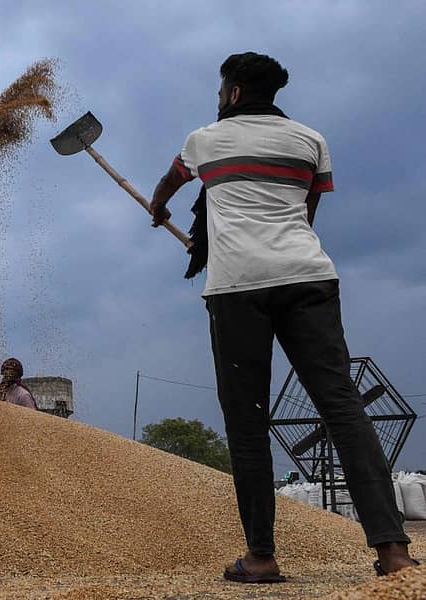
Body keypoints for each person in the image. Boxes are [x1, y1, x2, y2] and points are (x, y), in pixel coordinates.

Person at [149, 52, 417, 583]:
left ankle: (261, 558)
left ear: (230, 94)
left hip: (237, 289)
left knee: (246, 420)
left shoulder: (203, 140)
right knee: (344, 410)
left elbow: (168, 185)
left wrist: (159, 211)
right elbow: (304, 216)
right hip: (309, 277)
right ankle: (394, 554)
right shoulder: (311, 141)